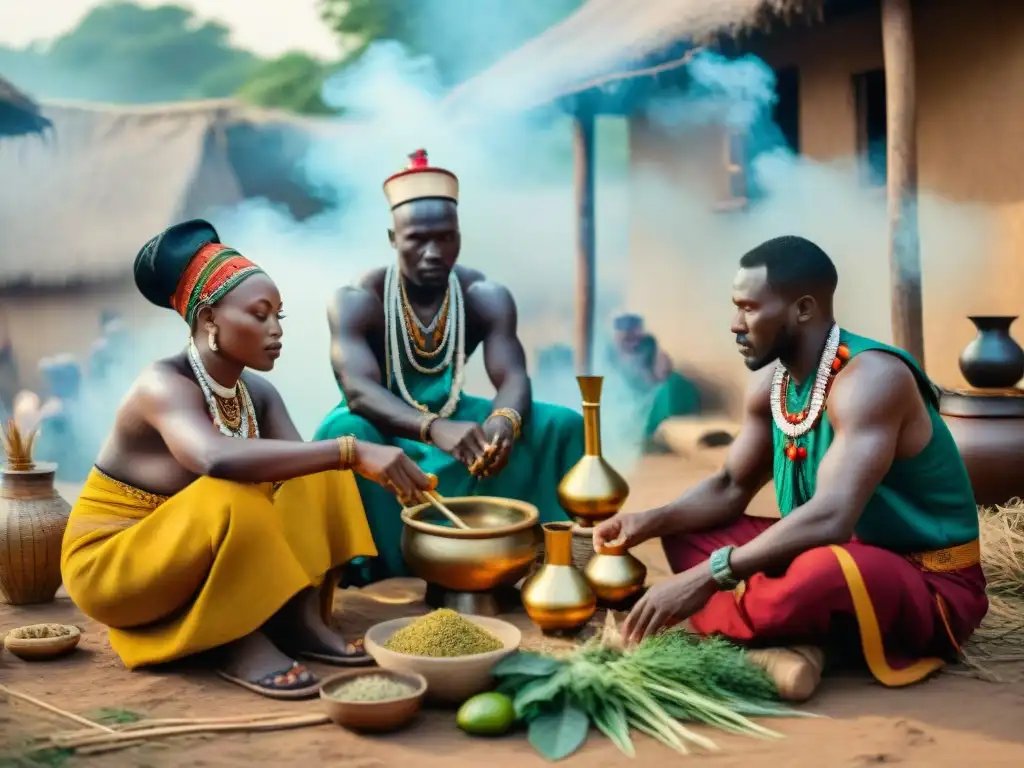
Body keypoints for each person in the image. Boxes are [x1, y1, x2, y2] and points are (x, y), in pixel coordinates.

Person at [594, 235, 986, 699]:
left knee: (816, 576)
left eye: (749, 308)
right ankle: (790, 628)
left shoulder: (872, 380)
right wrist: (650, 519)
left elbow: (830, 517)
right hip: (832, 550)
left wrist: (706, 577)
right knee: (684, 534)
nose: (735, 325)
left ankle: (758, 620)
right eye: (735, 307)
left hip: (926, 581)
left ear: (803, 309)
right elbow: (728, 486)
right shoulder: (770, 385)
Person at [61, 219, 432, 700]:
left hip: (186, 558)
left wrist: (347, 460)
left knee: (319, 470)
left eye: (280, 316)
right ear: (210, 318)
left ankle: (297, 618)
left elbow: (302, 482)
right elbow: (213, 458)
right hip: (115, 567)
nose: (276, 330)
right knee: (234, 491)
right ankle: (235, 637)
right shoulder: (161, 384)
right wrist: (353, 449)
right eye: (260, 315)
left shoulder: (258, 392)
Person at [314, 149, 585, 586]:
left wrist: (504, 420)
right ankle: (386, 566)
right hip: (383, 420)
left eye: (445, 238)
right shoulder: (357, 298)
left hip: (456, 410)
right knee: (343, 434)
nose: (433, 252)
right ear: (392, 237)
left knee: (562, 423)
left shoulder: (483, 294)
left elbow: (513, 376)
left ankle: (548, 559)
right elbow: (359, 391)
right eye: (417, 238)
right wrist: (432, 428)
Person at [606, 313, 700, 448]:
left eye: (634, 332)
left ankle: (659, 432)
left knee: (672, 384)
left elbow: (660, 374)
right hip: (628, 400)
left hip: (649, 392)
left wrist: (656, 368)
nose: (632, 338)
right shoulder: (610, 354)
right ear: (617, 335)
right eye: (626, 334)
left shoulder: (649, 345)